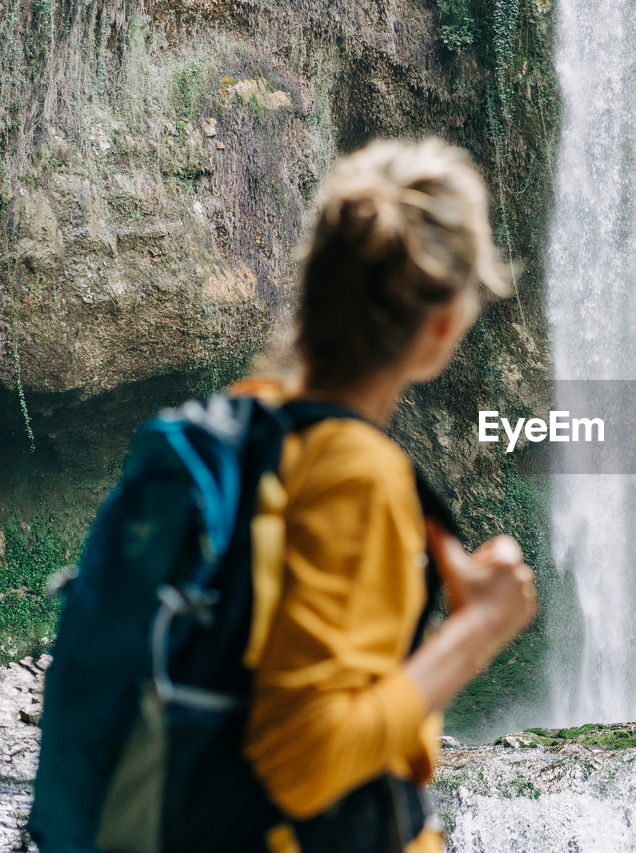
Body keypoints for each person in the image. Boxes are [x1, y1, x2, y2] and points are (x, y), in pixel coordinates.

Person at [236, 138, 538, 852]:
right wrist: (479, 630)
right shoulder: (356, 473)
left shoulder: (246, 428)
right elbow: (303, 761)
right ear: (442, 327)